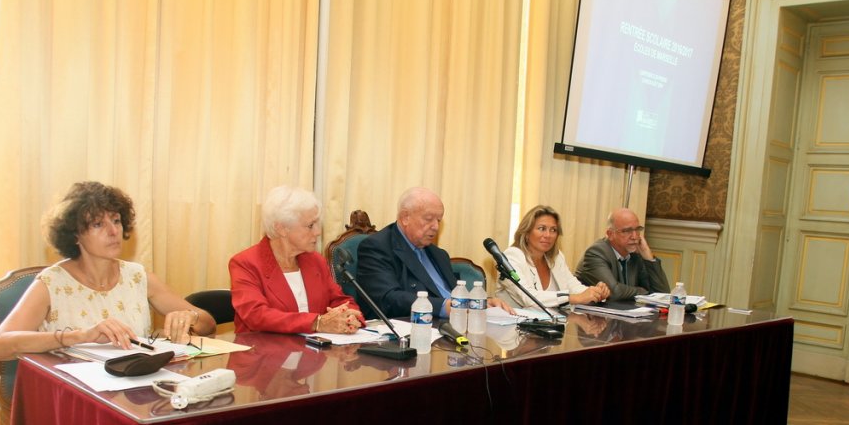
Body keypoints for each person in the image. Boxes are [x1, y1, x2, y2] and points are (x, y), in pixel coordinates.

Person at [0, 181, 217, 361]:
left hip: (134, 389)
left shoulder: (138, 277)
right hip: (75, 395)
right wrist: (80, 336)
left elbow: (208, 323)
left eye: (116, 221)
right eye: (98, 224)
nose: (113, 231)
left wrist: (191, 317)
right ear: (75, 234)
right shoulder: (52, 283)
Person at [356, 186, 513, 319]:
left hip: (454, 326)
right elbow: (388, 299)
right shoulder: (376, 247)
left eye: (439, 220)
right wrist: (444, 307)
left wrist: (480, 302)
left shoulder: (438, 254)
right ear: (405, 217)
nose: (436, 227)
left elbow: (453, 295)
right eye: (429, 219)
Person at [230, 185, 363, 334]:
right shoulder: (245, 263)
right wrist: (317, 323)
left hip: (314, 353)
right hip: (263, 353)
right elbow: (256, 315)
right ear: (281, 228)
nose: (318, 232)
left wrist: (349, 316)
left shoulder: (315, 260)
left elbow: (340, 300)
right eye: (310, 225)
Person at [495, 205, 610, 309]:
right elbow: (528, 298)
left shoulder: (556, 257)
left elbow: (573, 286)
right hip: (516, 327)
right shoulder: (512, 256)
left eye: (553, 230)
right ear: (527, 232)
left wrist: (596, 292)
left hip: (552, 326)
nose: (548, 235)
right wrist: (573, 298)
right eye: (541, 228)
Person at [575, 207, 670, 301]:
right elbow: (614, 292)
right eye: (627, 231)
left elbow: (663, 294)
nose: (634, 236)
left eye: (637, 229)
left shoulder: (635, 254)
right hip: (590, 315)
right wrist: (644, 292)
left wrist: (648, 257)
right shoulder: (596, 252)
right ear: (610, 234)